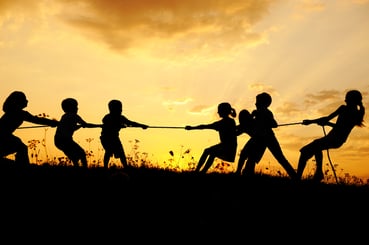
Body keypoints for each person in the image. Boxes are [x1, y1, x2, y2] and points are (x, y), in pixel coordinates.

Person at [297, 90, 365, 182]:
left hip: (334, 138)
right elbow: (329, 120)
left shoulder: (347, 110)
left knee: (306, 150)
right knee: (313, 148)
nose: (345, 100)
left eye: (347, 98)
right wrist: (312, 122)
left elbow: (339, 126)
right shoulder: (356, 112)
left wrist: (323, 123)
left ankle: (303, 177)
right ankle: (317, 173)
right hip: (336, 140)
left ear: (351, 100)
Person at [243, 92, 297, 179]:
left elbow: (274, 124)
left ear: (264, 103)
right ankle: (247, 174)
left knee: (279, 157)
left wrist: (261, 118)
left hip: (268, 138)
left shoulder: (266, 113)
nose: (255, 103)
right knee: (253, 157)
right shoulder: (258, 112)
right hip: (261, 138)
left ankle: (294, 176)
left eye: (258, 102)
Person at [0, 91, 58, 165]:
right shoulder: (20, 113)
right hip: (4, 136)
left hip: (5, 136)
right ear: (19, 102)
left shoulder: (11, 112)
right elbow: (36, 120)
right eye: (24, 99)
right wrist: (52, 123)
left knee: (19, 147)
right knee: (21, 148)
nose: (27, 101)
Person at [185, 102, 237, 173]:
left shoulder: (221, 123)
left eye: (219, 110)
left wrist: (191, 128)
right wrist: (191, 128)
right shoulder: (231, 121)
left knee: (209, 152)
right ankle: (200, 171)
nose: (218, 112)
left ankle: (199, 171)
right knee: (210, 152)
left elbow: (204, 126)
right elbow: (204, 126)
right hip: (228, 147)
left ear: (223, 111)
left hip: (227, 148)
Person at [100, 99, 148, 169]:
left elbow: (131, 123)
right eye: (118, 108)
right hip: (106, 138)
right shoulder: (107, 117)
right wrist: (118, 125)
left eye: (121, 108)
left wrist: (142, 125)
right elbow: (106, 122)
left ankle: (126, 167)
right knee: (109, 151)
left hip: (115, 138)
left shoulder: (121, 118)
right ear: (111, 109)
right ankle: (105, 168)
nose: (121, 110)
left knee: (121, 153)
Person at [54, 98, 101, 168]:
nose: (77, 108)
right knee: (81, 153)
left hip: (58, 141)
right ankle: (85, 169)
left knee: (74, 157)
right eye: (75, 106)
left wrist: (79, 126)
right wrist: (99, 125)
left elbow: (70, 128)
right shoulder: (74, 116)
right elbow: (86, 125)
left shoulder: (64, 116)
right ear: (71, 108)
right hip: (65, 140)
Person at [235, 109, 266, 175]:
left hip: (262, 141)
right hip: (255, 139)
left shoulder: (253, 121)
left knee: (251, 158)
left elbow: (236, 131)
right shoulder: (244, 125)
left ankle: (245, 172)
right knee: (244, 155)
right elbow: (236, 132)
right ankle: (239, 171)